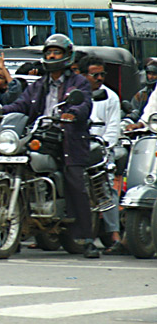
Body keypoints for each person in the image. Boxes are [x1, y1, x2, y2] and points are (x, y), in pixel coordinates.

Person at [0, 34, 99, 259]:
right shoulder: (38, 85)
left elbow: (84, 103)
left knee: (75, 181)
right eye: (48, 52)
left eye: (56, 52)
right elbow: (22, 104)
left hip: (69, 139)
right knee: (17, 163)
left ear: (66, 56)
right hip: (41, 135)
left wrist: (72, 113)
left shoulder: (79, 82)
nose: (52, 56)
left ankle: (87, 239)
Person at [79, 56, 125, 255]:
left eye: (102, 74)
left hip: (101, 150)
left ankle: (114, 236)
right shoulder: (73, 94)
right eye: (94, 74)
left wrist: (103, 149)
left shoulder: (110, 97)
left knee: (106, 187)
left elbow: (113, 128)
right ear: (82, 75)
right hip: (75, 149)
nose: (99, 78)